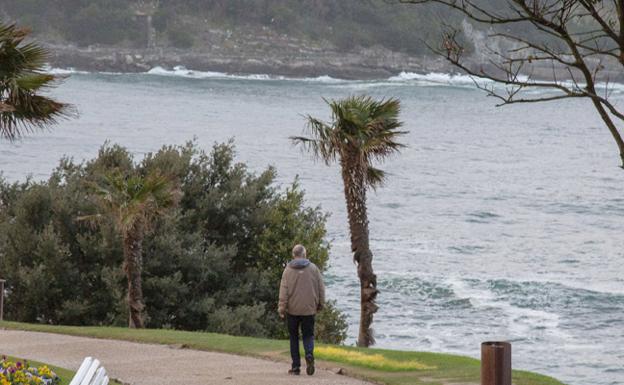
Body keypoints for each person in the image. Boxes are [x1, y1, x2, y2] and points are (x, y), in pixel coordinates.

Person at [278, 244, 325, 376]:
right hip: (309, 309)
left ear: (294, 255)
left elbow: (283, 291)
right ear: (304, 254)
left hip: (292, 309)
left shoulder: (287, 270)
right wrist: (321, 304)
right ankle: (309, 354)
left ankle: (296, 367)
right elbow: (321, 288)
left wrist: (282, 308)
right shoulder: (313, 269)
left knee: (294, 337)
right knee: (308, 335)